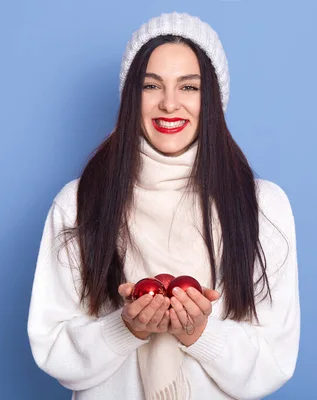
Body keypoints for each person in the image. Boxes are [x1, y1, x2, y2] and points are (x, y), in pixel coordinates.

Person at [27, 11, 300, 400]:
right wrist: (127, 328)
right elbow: (52, 347)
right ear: (130, 97)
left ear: (213, 101)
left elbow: (274, 361)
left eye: (189, 87)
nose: (169, 104)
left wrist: (199, 333)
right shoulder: (80, 201)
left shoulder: (261, 206)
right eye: (151, 86)